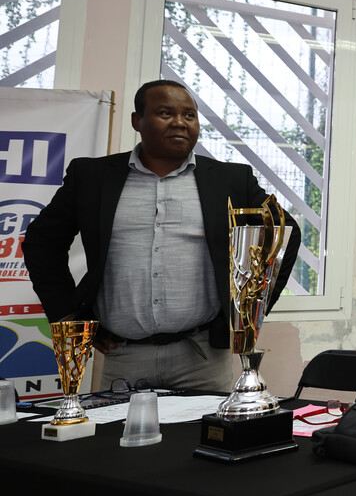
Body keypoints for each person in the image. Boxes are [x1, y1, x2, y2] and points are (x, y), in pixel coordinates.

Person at [24, 79, 301, 392]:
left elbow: (284, 233)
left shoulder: (230, 180)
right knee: (115, 427)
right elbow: (42, 243)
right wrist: (68, 315)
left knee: (203, 427)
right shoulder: (92, 177)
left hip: (202, 358)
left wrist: (248, 311)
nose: (180, 123)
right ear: (137, 120)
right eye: (166, 113)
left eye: (189, 115)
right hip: (123, 355)